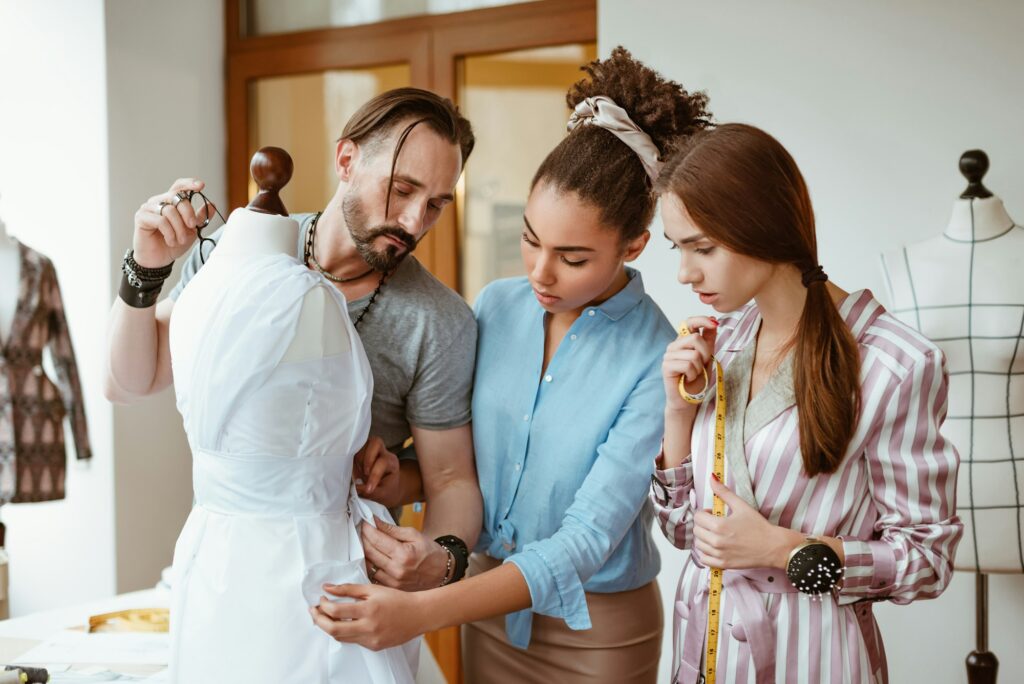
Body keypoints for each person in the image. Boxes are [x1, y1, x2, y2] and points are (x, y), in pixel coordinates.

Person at [312, 47, 712, 684]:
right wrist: (402, 478)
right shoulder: (497, 307)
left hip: (595, 634)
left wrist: (423, 610)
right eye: (530, 239)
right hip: (486, 610)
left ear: (634, 245)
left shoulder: (654, 358)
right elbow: (475, 472)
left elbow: (583, 541)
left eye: (573, 258)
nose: (539, 273)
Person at [104, 88, 483, 589]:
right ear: (347, 159)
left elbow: (451, 479)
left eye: (436, 204)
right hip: (220, 567)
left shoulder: (438, 321)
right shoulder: (238, 253)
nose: (415, 222)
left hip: (344, 586)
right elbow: (128, 383)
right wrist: (145, 267)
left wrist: (439, 566)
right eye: (402, 189)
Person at [652, 123, 962, 683]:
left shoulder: (893, 363)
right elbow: (686, 537)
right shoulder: (724, 344)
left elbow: (927, 563)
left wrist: (784, 551)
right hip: (704, 653)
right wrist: (677, 413)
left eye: (703, 248)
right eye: (679, 248)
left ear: (763, 228)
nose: (684, 272)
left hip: (814, 660)